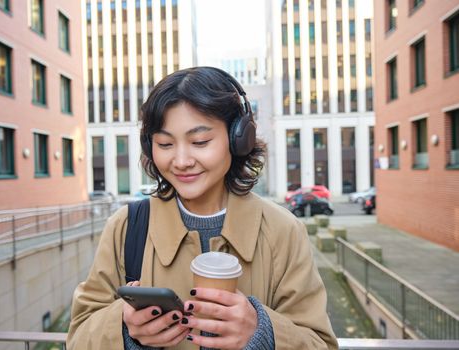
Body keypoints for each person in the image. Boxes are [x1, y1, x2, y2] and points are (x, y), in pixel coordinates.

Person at [67, 67, 338, 349]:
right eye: (165, 143)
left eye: (200, 142)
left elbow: (320, 343)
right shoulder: (126, 227)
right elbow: (77, 339)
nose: (181, 160)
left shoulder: (283, 229)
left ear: (238, 138)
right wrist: (124, 329)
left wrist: (263, 333)